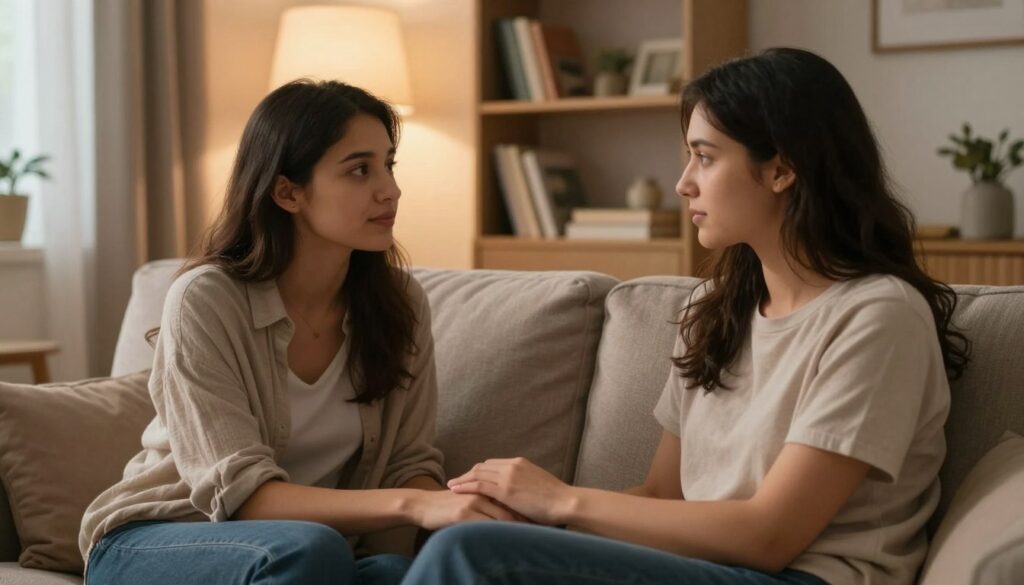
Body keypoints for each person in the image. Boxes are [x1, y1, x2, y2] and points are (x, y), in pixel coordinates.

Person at [401, 48, 971, 585]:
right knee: (438, 545)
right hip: (708, 568)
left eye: (705, 156)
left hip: (800, 575)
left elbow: (770, 536)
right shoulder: (714, 311)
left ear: (781, 170)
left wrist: (559, 499)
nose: (683, 184)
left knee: (469, 555)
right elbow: (661, 496)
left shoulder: (878, 317)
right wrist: (530, 519)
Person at [79, 80, 515, 585]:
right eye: (359, 170)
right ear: (287, 192)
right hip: (162, 538)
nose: (389, 189)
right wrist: (417, 505)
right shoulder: (206, 299)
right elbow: (240, 494)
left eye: (389, 165)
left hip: (315, 551)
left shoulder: (400, 305)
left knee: (399, 573)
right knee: (308, 550)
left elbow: (406, 462)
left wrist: (457, 507)